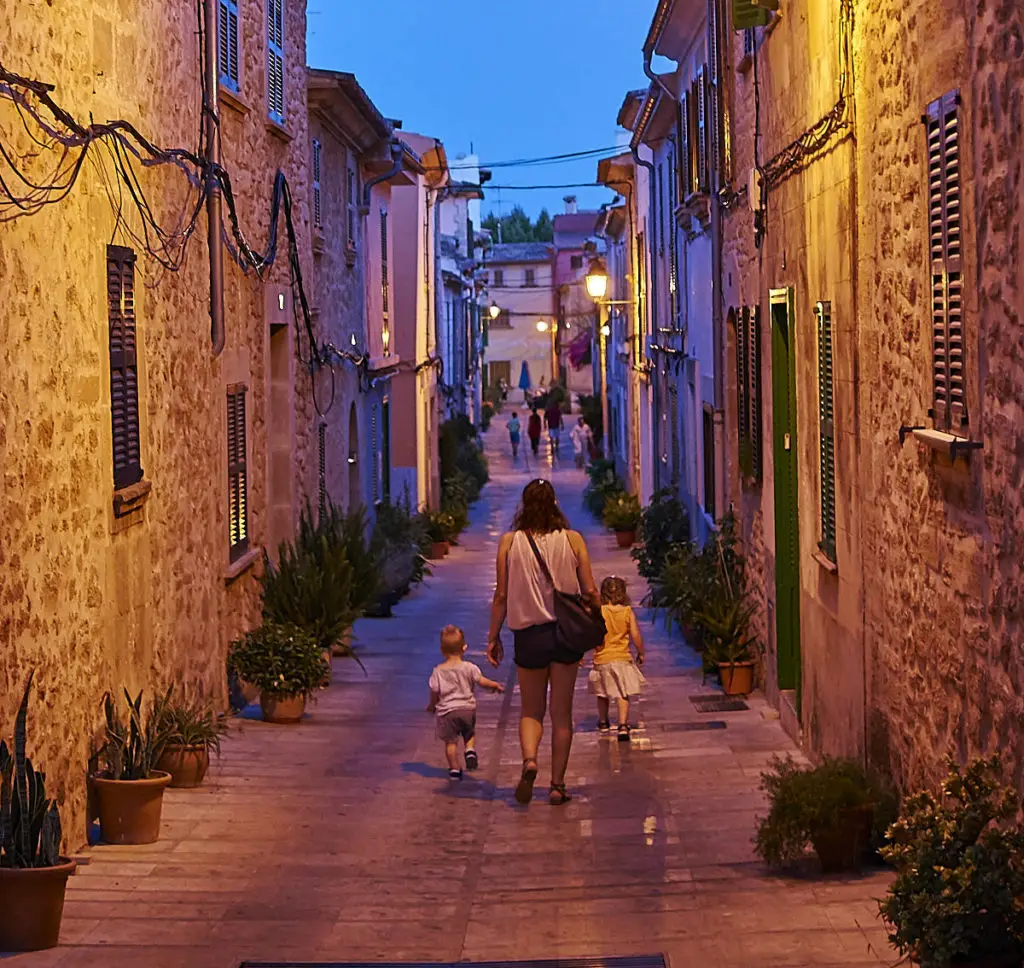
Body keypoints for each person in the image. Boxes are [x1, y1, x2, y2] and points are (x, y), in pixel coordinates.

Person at [487, 479, 599, 805]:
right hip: (565, 636)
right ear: (554, 504)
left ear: (524, 505)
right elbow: (590, 590)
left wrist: (493, 637)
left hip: (529, 636)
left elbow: (501, 595)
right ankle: (557, 785)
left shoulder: (509, 543)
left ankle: (530, 760)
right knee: (561, 714)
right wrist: (599, 625)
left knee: (530, 710)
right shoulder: (574, 540)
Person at [427, 625, 505, 779]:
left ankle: (454, 769)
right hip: (467, 709)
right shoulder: (469, 668)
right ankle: (470, 750)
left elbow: (434, 691)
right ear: (464, 648)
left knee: (450, 742)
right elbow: (481, 681)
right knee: (469, 733)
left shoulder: (438, 671)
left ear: (442, 650)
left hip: (447, 712)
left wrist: (432, 705)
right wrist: (494, 685)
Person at [589, 577, 646, 742]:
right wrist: (641, 652)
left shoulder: (599, 611)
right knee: (623, 693)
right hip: (622, 658)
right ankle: (622, 725)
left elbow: (592, 633)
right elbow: (635, 634)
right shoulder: (627, 612)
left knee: (602, 693)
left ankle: (603, 721)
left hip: (602, 659)